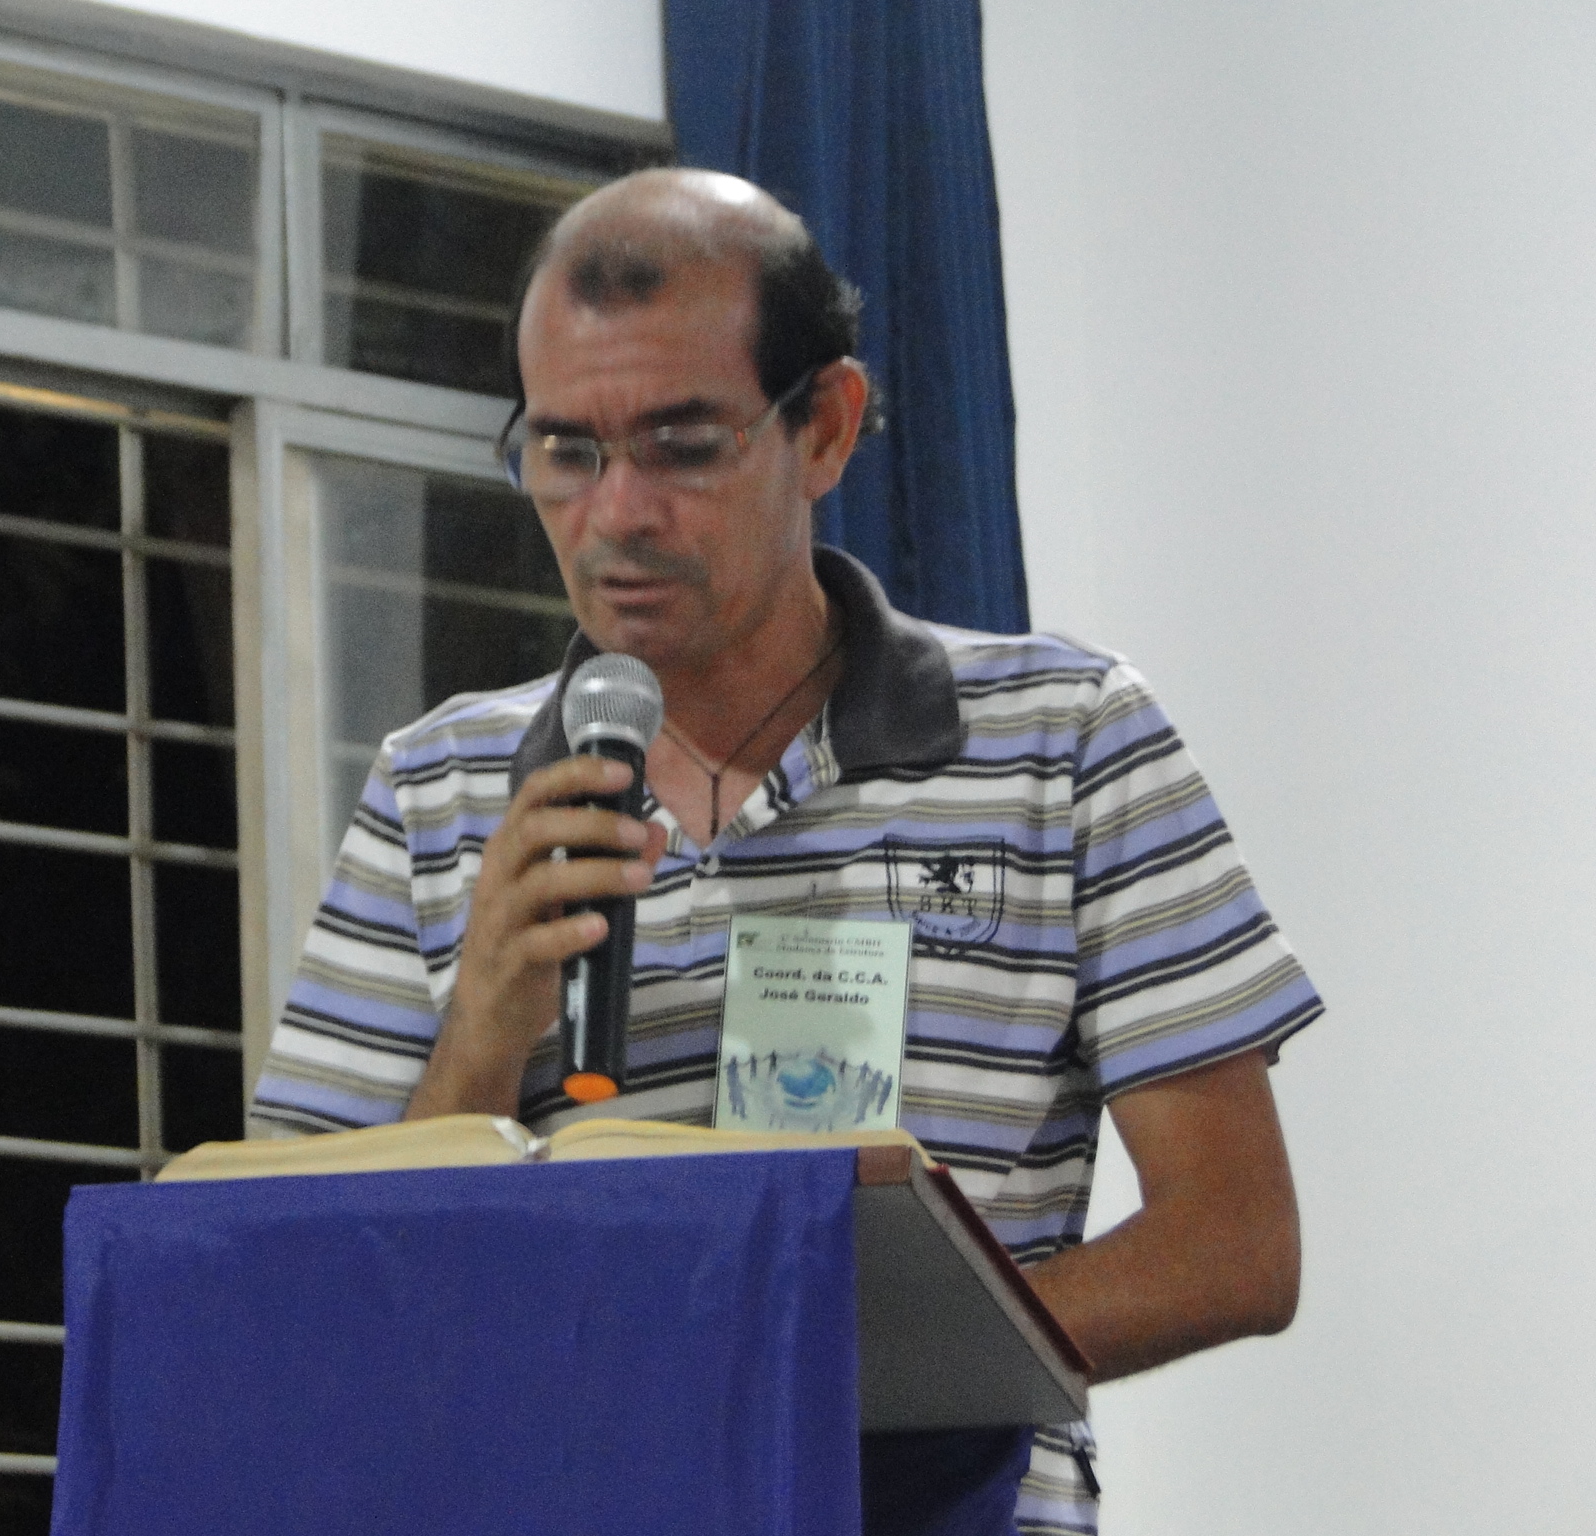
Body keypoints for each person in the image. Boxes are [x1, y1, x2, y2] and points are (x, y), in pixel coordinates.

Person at [250, 168, 1319, 1536]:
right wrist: (482, 1037)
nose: (616, 513)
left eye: (683, 446)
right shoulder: (436, 787)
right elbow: (317, 1298)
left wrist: (829, 1372)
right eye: (567, 450)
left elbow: (1235, 1248)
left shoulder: (1067, 739)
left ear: (827, 427)